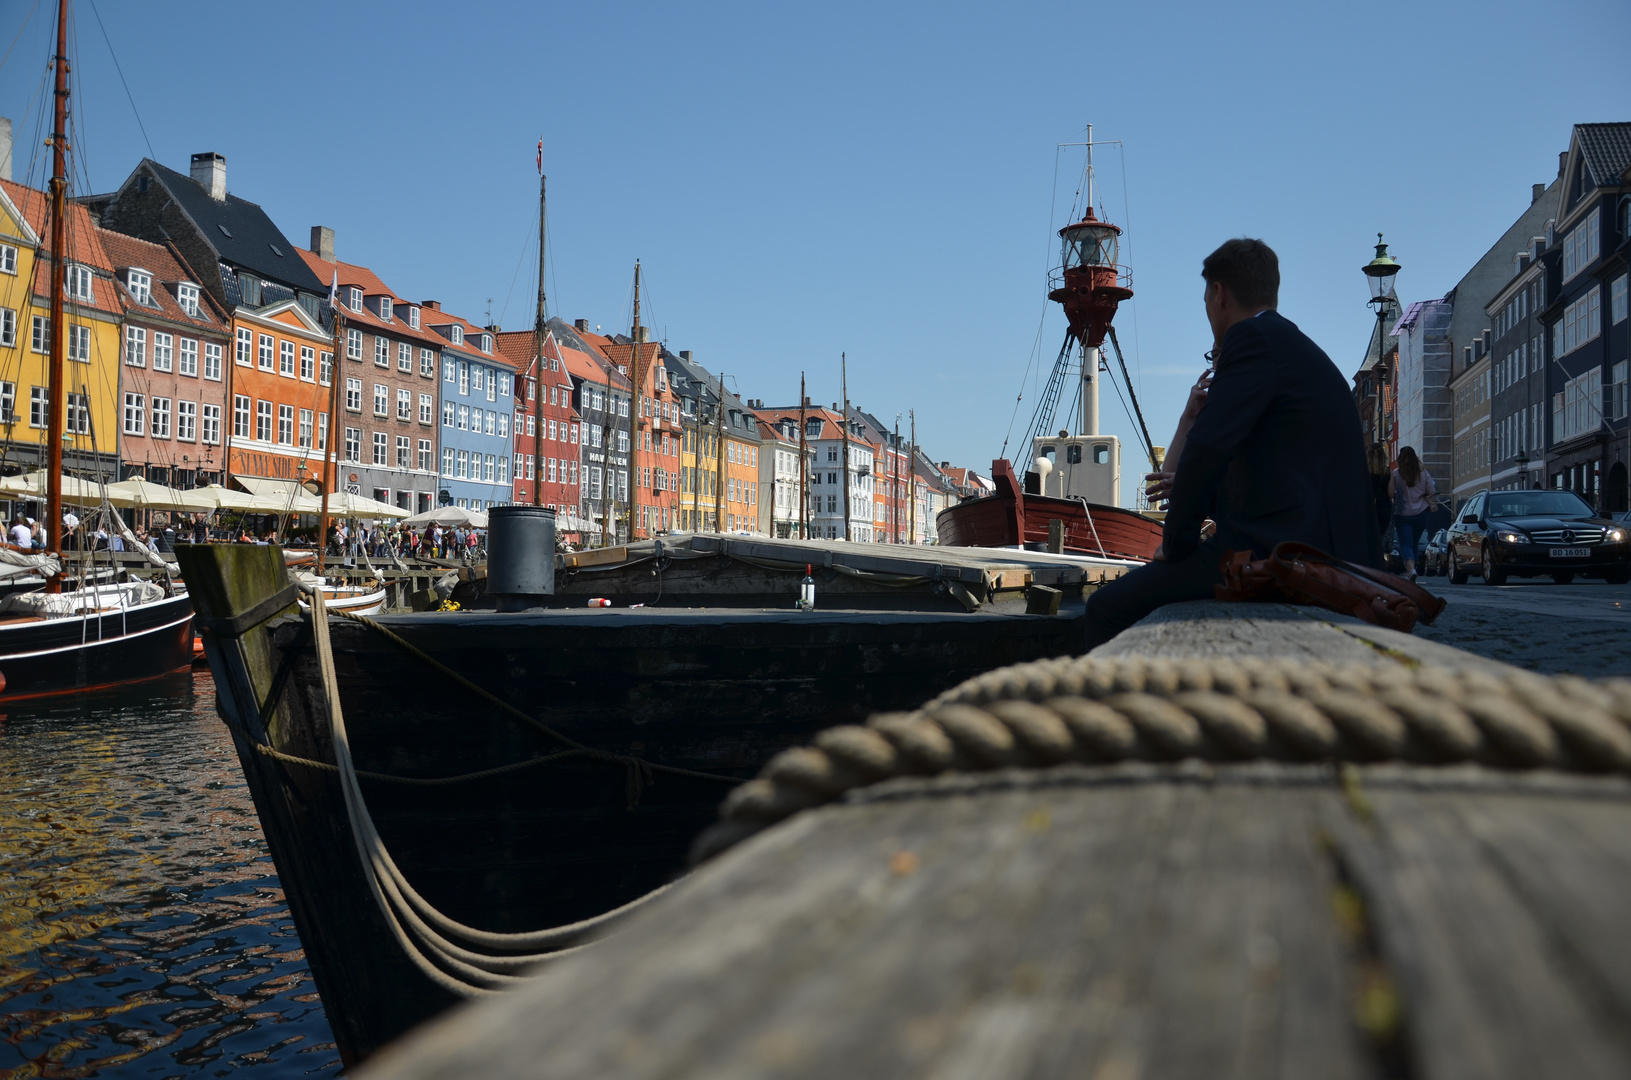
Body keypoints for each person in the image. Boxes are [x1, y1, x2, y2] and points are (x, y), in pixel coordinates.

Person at [1084, 238, 1381, 650]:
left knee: (1104, 608)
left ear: (1219, 293)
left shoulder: (1250, 339)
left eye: (1206, 299)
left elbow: (1208, 446)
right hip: (1331, 552)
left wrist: (1176, 545)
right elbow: (1278, 470)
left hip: (1282, 555)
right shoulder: (1294, 347)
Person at [1388, 446, 1436, 582]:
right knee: (1414, 543)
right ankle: (1411, 571)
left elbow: (1391, 493)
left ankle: (1410, 569)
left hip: (1403, 514)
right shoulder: (1423, 473)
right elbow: (1431, 490)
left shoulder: (1396, 474)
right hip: (1421, 512)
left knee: (1406, 544)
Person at [1367, 443, 1394, 543]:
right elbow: (1391, 493)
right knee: (1378, 538)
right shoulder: (1388, 472)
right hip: (1383, 509)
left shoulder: (1364, 472)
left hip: (1367, 508)